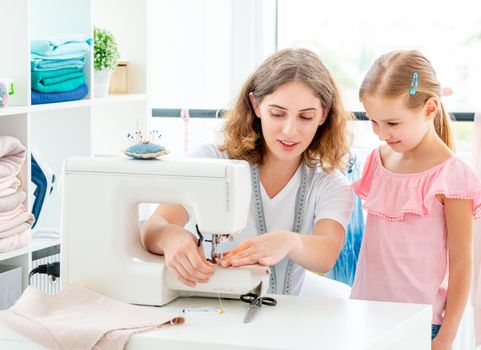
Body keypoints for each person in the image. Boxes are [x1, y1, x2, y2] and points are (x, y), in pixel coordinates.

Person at [141, 48, 354, 296]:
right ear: (256, 105)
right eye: (277, 113)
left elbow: (326, 254)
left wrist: (290, 241)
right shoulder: (211, 162)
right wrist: (170, 238)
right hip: (203, 304)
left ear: (324, 115)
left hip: (279, 319)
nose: (289, 131)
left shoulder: (329, 184)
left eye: (305, 117)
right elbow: (154, 227)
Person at [350, 49, 481, 349]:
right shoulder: (377, 160)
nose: (381, 133)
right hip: (365, 313)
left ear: (430, 108)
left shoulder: (452, 177)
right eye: (373, 121)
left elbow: (462, 262)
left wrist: (446, 336)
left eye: (392, 124)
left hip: (421, 323)